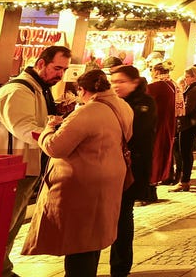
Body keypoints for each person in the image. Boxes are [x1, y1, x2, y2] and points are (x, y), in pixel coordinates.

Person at [22, 69, 133, 277]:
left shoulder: (87, 112)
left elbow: (55, 148)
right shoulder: (123, 106)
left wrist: (48, 128)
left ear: (82, 90)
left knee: (78, 241)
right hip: (109, 178)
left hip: (83, 183)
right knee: (94, 237)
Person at [0, 45, 70, 277]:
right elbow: (24, 128)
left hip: (22, 165)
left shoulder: (37, 89)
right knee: (1, 224)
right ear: (40, 64)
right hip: (7, 165)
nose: (60, 75)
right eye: (57, 68)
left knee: (11, 224)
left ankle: (1, 268)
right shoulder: (19, 90)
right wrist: (53, 136)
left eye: (64, 70)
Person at [107, 66, 155, 277]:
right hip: (112, 166)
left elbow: (133, 134)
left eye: (121, 81)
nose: (116, 85)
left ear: (135, 82)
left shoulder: (144, 104)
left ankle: (120, 266)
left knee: (123, 215)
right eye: (113, 81)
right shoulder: (114, 102)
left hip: (131, 169)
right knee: (113, 215)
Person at [172, 67, 196, 191]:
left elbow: (188, 108)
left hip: (189, 124)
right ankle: (184, 180)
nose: (185, 79)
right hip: (193, 124)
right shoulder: (195, 88)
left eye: (187, 76)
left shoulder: (194, 90)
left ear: (194, 77)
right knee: (185, 152)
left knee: (185, 153)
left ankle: (184, 181)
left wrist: (178, 110)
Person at [148, 62, 179, 192]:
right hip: (168, 122)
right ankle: (163, 177)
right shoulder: (172, 84)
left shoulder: (156, 86)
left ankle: (151, 183)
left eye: (152, 70)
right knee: (164, 151)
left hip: (157, 124)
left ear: (156, 72)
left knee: (155, 153)